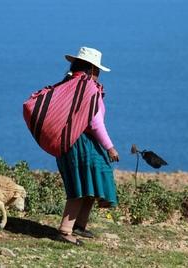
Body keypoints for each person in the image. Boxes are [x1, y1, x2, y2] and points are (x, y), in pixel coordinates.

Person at [54, 47, 119, 245]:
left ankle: (79, 226)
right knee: (82, 185)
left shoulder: (67, 84)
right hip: (82, 144)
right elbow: (95, 123)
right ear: (91, 69)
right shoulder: (89, 89)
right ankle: (66, 230)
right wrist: (109, 147)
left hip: (66, 143)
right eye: (97, 70)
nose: (98, 74)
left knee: (86, 181)